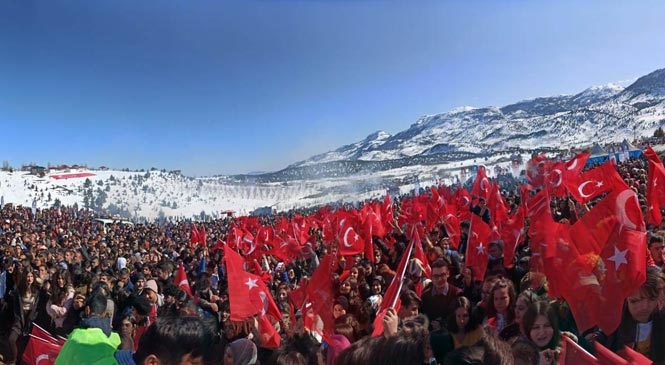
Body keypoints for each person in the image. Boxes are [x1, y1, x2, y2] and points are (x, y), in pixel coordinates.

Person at [604, 268, 665, 363]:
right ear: (625, 299)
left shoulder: (662, 319)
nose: (645, 307)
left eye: (652, 298)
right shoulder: (613, 320)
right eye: (635, 301)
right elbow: (596, 344)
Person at [7, 269, 43, 365]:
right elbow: (15, 305)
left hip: (31, 317)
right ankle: (14, 359)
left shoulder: (37, 290)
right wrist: (17, 316)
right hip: (20, 316)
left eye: (31, 276)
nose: (30, 279)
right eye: (28, 276)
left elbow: (38, 306)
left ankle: (20, 360)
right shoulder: (19, 289)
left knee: (24, 342)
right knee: (12, 339)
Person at [420, 258, 461, 328]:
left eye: (442, 275)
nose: (439, 279)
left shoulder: (457, 294)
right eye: (436, 276)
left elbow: (460, 320)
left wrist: (443, 324)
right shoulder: (425, 296)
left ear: (448, 274)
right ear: (431, 277)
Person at [521, 300, 561, 365]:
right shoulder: (519, 356)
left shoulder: (564, 350)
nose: (542, 332)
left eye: (547, 325)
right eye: (536, 327)